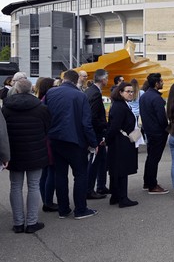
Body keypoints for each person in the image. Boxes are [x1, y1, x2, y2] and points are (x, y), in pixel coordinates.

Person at [44, 69, 98, 220]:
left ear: (63, 79)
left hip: (55, 139)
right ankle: (80, 209)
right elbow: (86, 123)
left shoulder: (51, 93)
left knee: (60, 175)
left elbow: (45, 115)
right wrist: (93, 143)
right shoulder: (80, 96)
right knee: (80, 175)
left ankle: (63, 209)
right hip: (75, 141)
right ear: (76, 81)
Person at [3, 79, 51, 233]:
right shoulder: (41, 107)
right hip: (35, 150)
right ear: (31, 89)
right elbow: (47, 128)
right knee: (33, 186)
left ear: (15, 90)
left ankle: (18, 223)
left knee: (15, 186)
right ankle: (31, 222)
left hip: (14, 151)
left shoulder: (6, 108)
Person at [105, 82, 139, 207]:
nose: (130, 94)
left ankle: (115, 196)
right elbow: (114, 126)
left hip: (119, 141)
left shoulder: (121, 105)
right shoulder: (120, 106)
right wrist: (108, 139)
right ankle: (122, 198)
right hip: (121, 142)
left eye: (131, 91)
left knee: (116, 170)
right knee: (122, 170)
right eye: (128, 91)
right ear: (120, 92)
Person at [139, 73, 169, 194]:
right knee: (154, 159)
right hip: (157, 133)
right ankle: (152, 185)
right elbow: (162, 118)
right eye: (161, 81)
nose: (162, 83)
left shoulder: (144, 96)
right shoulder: (156, 98)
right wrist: (166, 129)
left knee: (150, 158)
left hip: (149, 131)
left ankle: (147, 182)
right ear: (156, 84)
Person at [85, 69, 109, 200]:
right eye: (107, 78)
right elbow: (93, 116)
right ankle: (89, 189)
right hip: (96, 133)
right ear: (103, 79)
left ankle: (101, 185)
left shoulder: (91, 91)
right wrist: (103, 127)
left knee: (102, 160)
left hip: (97, 131)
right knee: (94, 161)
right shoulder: (94, 94)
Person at [36, 77, 58, 212]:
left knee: (44, 172)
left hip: (42, 140)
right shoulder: (47, 102)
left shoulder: (40, 101)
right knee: (51, 171)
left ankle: (46, 200)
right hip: (49, 140)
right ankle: (48, 201)